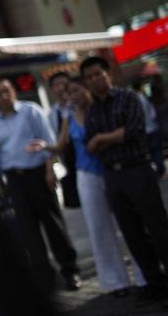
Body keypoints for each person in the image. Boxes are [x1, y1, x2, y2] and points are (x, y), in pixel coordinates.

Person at [27, 76, 145, 296]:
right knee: (99, 229)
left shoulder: (100, 110)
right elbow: (60, 145)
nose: (72, 95)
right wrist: (45, 147)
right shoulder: (67, 117)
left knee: (129, 224)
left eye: (76, 90)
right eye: (69, 92)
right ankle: (115, 282)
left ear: (87, 89)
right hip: (86, 175)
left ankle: (144, 275)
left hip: (111, 170)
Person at [81, 56, 168, 305]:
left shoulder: (127, 98)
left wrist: (101, 139)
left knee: (158, 228)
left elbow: (133, 131)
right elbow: (89, 143)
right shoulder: (93, 109)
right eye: (89, 77)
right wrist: (107, 138)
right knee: (132, 233)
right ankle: (155, 284)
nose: (94, 80)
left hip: (136, 169)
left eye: (98, 74)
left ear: (108, 74)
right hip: (112, 176)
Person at [0, 79, 81, 291]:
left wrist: (50, 171)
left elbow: (48, 141)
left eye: (7, 91)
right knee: (29, 233)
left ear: (13, 91)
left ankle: (70, 271)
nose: (4, 96)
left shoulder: (31, 111)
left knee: (54, 226)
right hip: (14, 180)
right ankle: (46, 278)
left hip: (38, 175)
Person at [47, 71, 80, 208]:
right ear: (52, 89)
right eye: (57, 85)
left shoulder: (80, 106)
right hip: (69, 163)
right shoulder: (52, 114)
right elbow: (55, 142)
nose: (61, 88)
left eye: (64, 84)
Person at [132, 78, 165, 178]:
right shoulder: (144, 97)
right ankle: (160, 169)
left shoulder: (134, 99)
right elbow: (152, 113)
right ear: (140, 86)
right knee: (157, 150)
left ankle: (158, 169)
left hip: (144, 130)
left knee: (151, 151)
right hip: (152, 128)